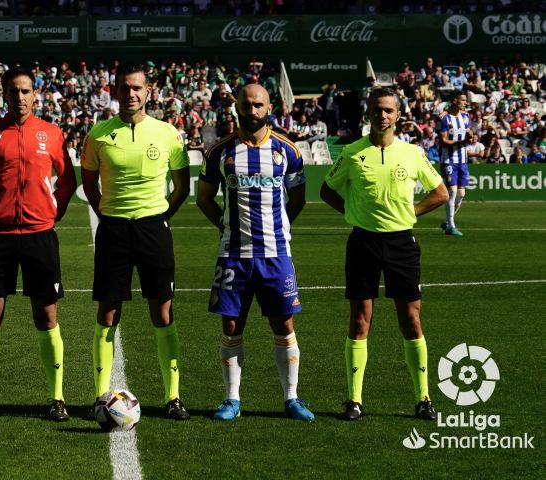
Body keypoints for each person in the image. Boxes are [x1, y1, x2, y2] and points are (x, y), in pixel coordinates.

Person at [320, 87, 447, 421]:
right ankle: (353, 400)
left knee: (411, 320)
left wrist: (411, 213)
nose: (382, 115)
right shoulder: (351, 153)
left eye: (388, 110)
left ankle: (424, 398)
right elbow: (326, 190)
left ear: (398, 115)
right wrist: (352, 213)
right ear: (368, 113)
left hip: (402, 243)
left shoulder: (412, 153)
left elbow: (440, 193)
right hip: (363, 243)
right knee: (360, 321)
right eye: (377, 110)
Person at [0, 67, 77, 422]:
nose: (20, 98)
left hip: (41, 235)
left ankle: (56, 398)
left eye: (26, 91)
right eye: (14, 92)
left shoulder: (52, 133)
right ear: (4, 95)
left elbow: (67, 181)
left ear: (35, 94)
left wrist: (51, 214)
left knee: (47, 314)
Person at [196, 84, 315, 422]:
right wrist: (225, 226)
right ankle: (231, 399)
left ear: (269, 107)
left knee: (284, 322)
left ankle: (291, 398)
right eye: (246, 105)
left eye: (258, 105)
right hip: (233, 254)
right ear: (237, 107)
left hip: (277, 254)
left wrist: (281, 230)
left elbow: (298, 198)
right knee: (232, 324)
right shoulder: (219, 151)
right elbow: (204, 200)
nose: (252, 111)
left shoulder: (287, 151)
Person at [80, 63, 191, 420]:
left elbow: (182, 187)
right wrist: (110, 214)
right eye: (125, 88)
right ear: (115, 91)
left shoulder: (168, 134)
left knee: (162, 311)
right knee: (108, 313)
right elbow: (90, 186)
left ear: (149, 92)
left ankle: (173, 397)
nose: (131, 94)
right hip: (113, 230)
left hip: (153, 229)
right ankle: (101, 396)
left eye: (137, 88)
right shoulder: (97, 135)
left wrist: (158, 218)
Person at [438, 93, 471, 236]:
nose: (465, 103)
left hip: (462, 160)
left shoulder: (466, 117)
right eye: (463, 100)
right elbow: (443, 141)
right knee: (451, 191)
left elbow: (468, 133)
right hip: (449, 159)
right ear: (455, 101)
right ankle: (451, 225)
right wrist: (460, 143)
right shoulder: (443, 117)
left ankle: (446, 221)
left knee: (461, 194)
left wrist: (471, 136)